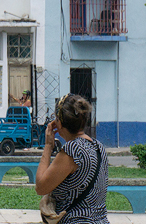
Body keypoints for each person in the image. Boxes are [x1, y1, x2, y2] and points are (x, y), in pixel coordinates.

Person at [36, 94, 108, 224]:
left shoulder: (72, 151)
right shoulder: (99, 147)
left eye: (56, 118)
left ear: (60, 124)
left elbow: (41, 187)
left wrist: (48, 146)